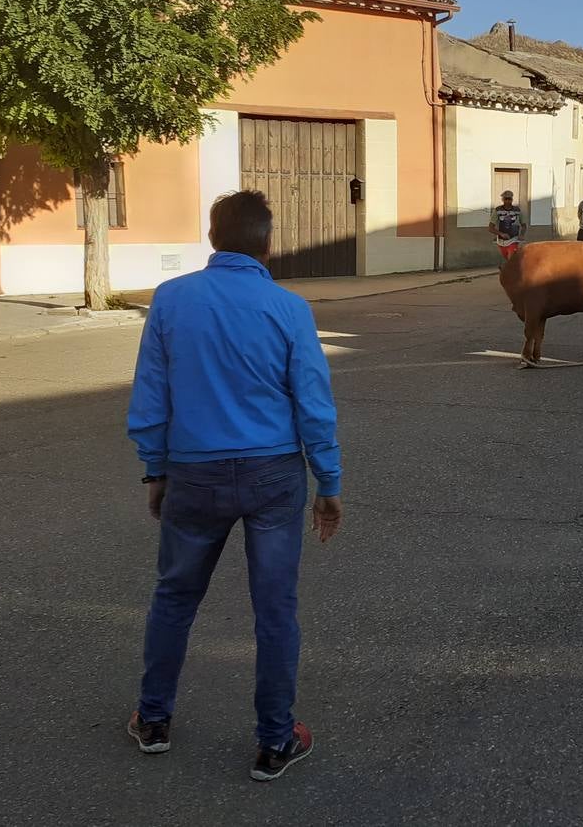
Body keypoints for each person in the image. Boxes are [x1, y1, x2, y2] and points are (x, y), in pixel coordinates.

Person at [127, 190, 342, 782]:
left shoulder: (171, 301)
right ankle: (275, 742)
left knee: (174, 596)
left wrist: (156, 468)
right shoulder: (289, 307)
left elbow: (151, 396)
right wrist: (328, 481)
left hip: (193, 473)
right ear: (268, 243)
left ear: (213, 238)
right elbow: (313, 404)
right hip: (274, 475)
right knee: (275, 610)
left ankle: (153, 721)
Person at [489, 190, 527, 260]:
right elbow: (490, 228)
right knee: (506, 258)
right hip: (501, 241)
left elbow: (524, 225)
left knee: (511, 258)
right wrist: (501, 234)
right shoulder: (497, 210)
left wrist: (522, 235)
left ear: (512, 200)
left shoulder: (517, 210)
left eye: (509, 199)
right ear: (503, 200)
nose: (507, 201)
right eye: (506, 199)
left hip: (514, 239)